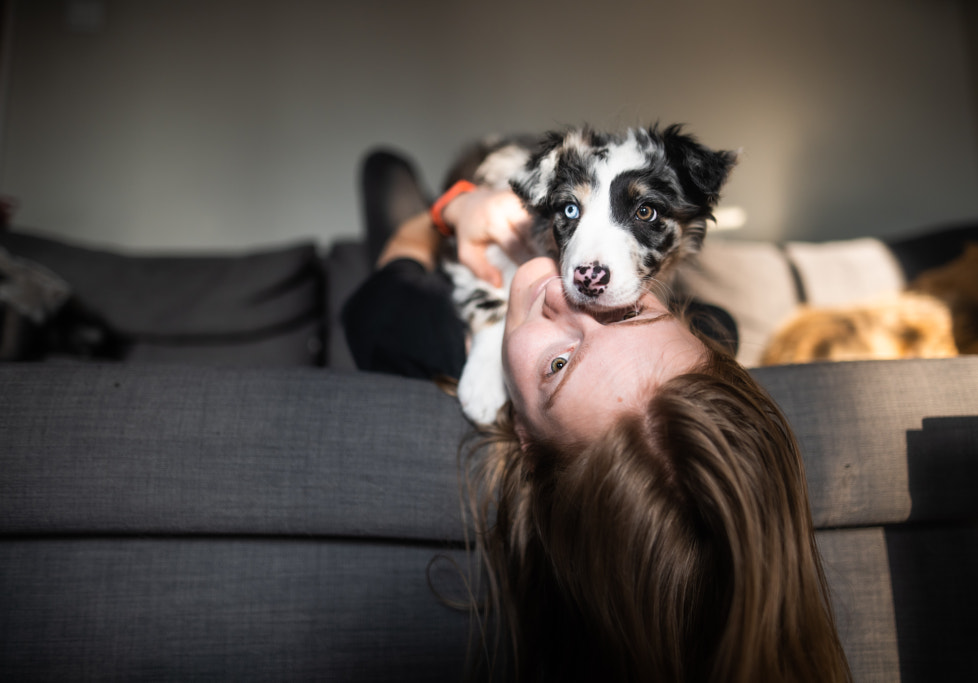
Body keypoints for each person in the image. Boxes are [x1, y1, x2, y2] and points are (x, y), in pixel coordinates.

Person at [343, 149, 852, 682]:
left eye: (558, 365)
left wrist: (453, 209)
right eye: (631, 316)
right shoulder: (711, 327)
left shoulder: (408, 329)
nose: (570, 298)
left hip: (444, 242)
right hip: (541, 185)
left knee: (387, 176)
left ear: (526, 442)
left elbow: (398, 267)